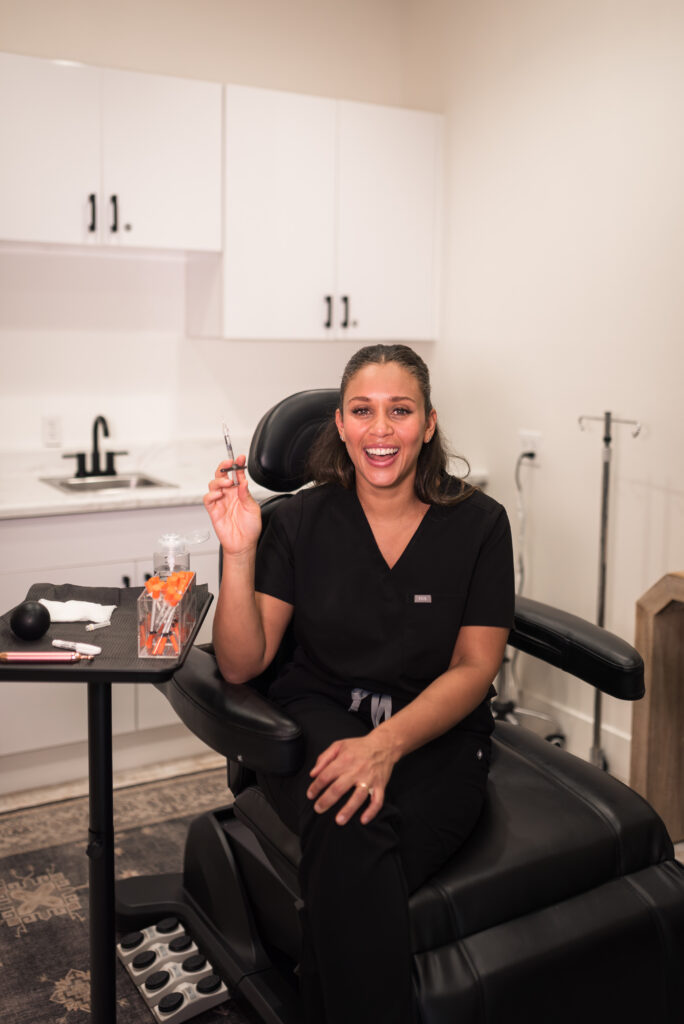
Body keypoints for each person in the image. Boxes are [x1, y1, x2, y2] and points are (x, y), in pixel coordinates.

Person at [204, 344, 514, 1024]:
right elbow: (239, 664)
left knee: (350, 872)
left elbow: (474, 668)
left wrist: (385, 747)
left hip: (438, 734)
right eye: (362, 412)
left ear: (428, 423)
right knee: (352, 819)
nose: (381, 430)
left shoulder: (480, 525)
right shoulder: (295, 521)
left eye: (399, 411)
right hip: (318, 719)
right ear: (339, 425)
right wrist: (238, 552)